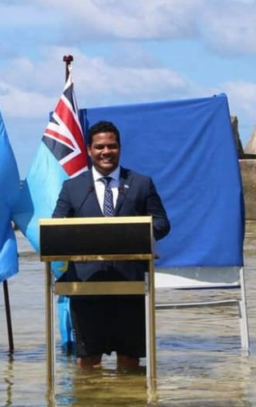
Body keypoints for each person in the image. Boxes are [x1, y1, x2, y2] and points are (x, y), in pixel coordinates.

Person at [52, 120, 170, 369]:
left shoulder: (140, 183)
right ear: (89, 150)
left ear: (119, 148)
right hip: (85, 284)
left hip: (130, 282)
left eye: (112, 146)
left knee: (129, 360)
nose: (106, 151)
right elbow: (56, 226)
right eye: (100, 147)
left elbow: (161, 223)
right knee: (88, 360)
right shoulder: (72, 187)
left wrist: (136, 234)